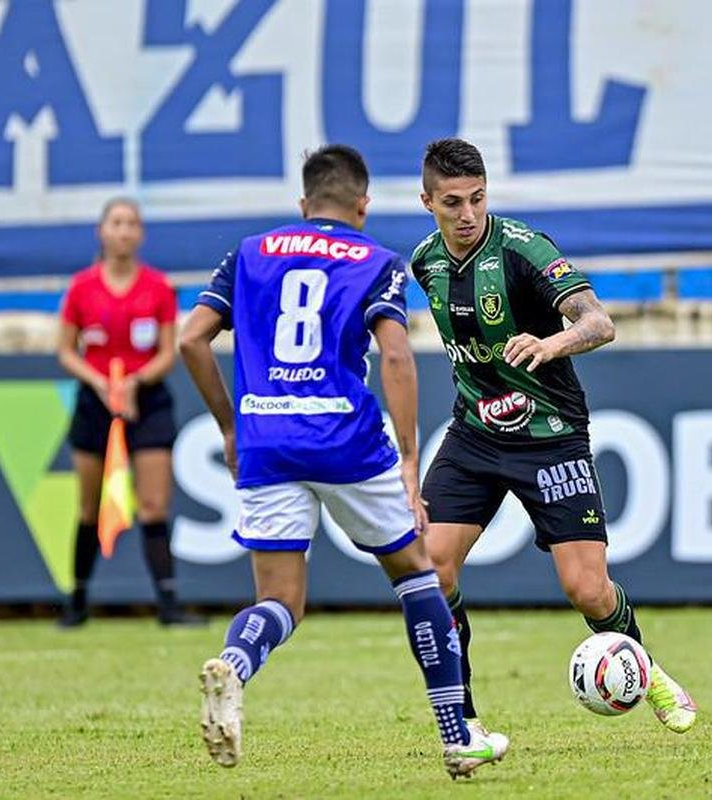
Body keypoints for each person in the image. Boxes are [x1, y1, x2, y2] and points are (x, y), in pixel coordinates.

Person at [179, 144, 507, 777]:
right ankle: (456, 734)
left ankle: (235, 666)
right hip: (346, 439)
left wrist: (228, 425)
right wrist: (410, 460)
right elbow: (397, 357)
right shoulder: (376, 262)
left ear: (303, 205)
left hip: (266, 441)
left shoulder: (248, 255)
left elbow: (191, 339)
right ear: (363, 205)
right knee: (415, 573)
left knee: (280, 602)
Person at [411, 138, 698, 744]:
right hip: (474, 434)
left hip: (551, 437)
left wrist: (551, 344)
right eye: (453, 203)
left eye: (478, 199)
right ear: (428, 202)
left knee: (587, 589)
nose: (467, 214)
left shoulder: (522, 249)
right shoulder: (425, 263)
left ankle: (649, 675)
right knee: (431, 569)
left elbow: (599, 321)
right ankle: (461, 719)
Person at [56, 198, 204, 627]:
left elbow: (166, 351)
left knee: (154, 504)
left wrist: (135, 382)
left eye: (132, 223)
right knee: (88, 504)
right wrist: (101, 383)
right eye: (116, 223)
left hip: (147, 401)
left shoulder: (157, 287)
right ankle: (77, 599)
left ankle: (168, 603)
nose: (124, 231)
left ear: (140, 234)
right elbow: (66, 350)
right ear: (102, 231)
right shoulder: (82, 288)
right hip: (95, 402)